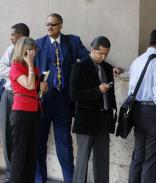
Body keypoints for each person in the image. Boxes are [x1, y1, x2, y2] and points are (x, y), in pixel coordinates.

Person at [34, 13, 89, 183]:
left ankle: (70, 180)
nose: (49, 27)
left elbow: (89, 59)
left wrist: (111, 67)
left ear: (61, 25)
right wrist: (37, 86)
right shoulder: (38, 44)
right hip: (42, 101)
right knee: (39, 144)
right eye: (47, 24)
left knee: (64, 146)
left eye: (54, 24)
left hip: (63, 102)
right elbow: (28, 70)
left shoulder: (72, 42)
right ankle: (39, 180)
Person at [128, 28, 156, 183]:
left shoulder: (137, 61)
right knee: (153, 160)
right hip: (154, 114)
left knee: (138, 156)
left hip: (137, 111)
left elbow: (131, 90)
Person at [70, 36, 117, 183]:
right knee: (82, 161)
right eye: (100, 53)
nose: (103, 57)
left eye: (106, 54)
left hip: (104, 120)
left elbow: (111, 94)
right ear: (92, 49)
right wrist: (97, 90)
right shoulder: (79, 67)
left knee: (102, 160)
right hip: (86, 121)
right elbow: (74, 94)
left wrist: (112, 111)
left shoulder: (108, 68)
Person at [0, 23, 30, 183]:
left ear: (21, 36)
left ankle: (19, 174)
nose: (11, 38)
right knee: (6, 135)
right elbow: (0, 68)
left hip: (25, 97)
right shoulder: (10, 50)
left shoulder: (32, 49)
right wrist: (16, 73)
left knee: (20, 137)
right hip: (9, 94)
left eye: (13, 35)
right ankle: (10, 174)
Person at [9, 37, 41, 183]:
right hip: (21, 111)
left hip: (34, 111)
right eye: (31, 50)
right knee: (20, 152)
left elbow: (34, 90)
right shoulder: (15, 66)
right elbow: (28, 85)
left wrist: (43, 89)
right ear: (24, 50)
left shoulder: (34, 68)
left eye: (34, 50)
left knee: (31, 152)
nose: (34, 53)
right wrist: (29, 65)